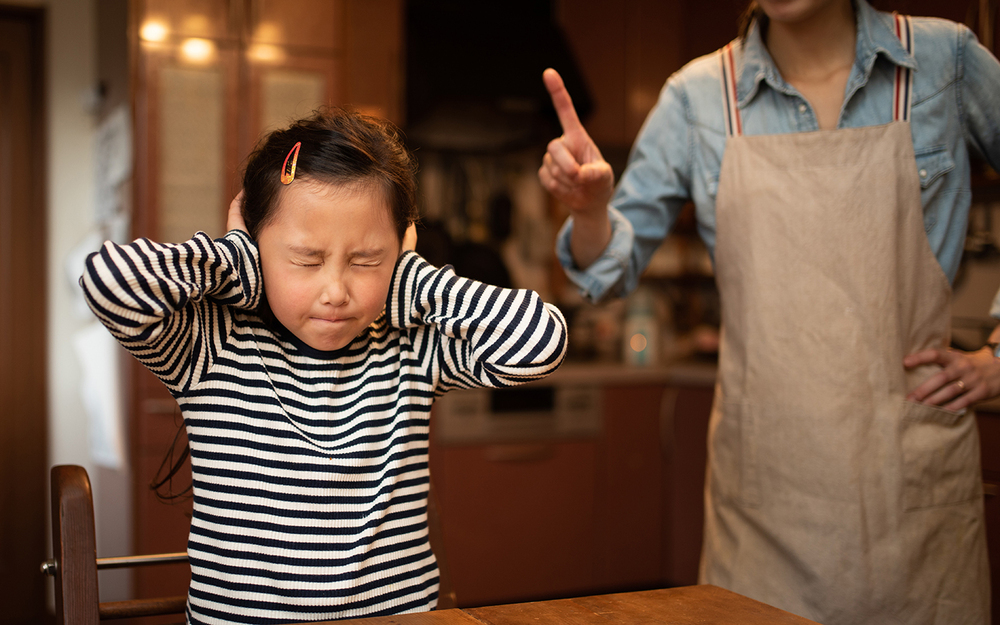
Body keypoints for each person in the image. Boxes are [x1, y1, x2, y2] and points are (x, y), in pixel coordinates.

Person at [539, 1, 1000, 623]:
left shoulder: (947, 62)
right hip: (764, 499)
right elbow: (608, 271)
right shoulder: (698, 98)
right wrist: (591, 211)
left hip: (910, 496)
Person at [81, 108, 568, 624]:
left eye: (366, 260)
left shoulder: (409, 348)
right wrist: (234, 260)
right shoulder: (212, 344)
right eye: (307, 260)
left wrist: (407, 279)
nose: (336, 292)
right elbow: (109, 283)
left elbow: (540, 342)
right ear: (256, 247)